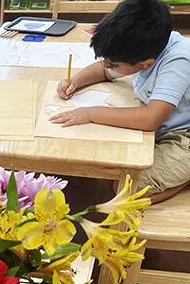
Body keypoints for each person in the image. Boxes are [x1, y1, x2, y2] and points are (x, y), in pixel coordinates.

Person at [51, 0, 190, 202]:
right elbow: (104, 71)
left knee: (125, 190)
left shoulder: (178, 61)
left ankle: (183, 178)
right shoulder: (143, 49)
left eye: (114, 64)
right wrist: (74, 82)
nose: (107, 66)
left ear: (145, 64)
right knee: (103, 166)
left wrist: (91, 113)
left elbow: (150, 119)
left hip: (183, 137)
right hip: (160, 127)